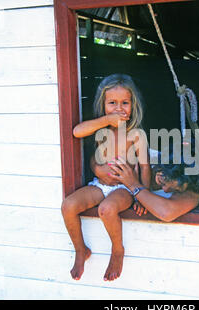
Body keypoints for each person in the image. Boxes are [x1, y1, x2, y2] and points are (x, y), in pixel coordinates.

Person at [61, 74, 151, 281]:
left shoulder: (137, 134)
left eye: (125, 103)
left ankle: (117, 250)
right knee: (68, 206)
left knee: (106, 209)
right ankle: (80, 249)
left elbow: (145, 168)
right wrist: (105, 120)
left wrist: (141, 195)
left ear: (133, 105)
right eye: (112, 103)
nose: (119, 108)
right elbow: (76, 132)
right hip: (100, 185)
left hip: (124, 189)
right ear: (103, 105)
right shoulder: (99, 128)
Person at [96, 156, 199, 223]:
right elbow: (96, 160)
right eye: (164, 180)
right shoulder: (146, 156)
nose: (165, 190)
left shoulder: (193, 190)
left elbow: (166, 212)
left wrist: (133, 185)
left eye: (174, 189)